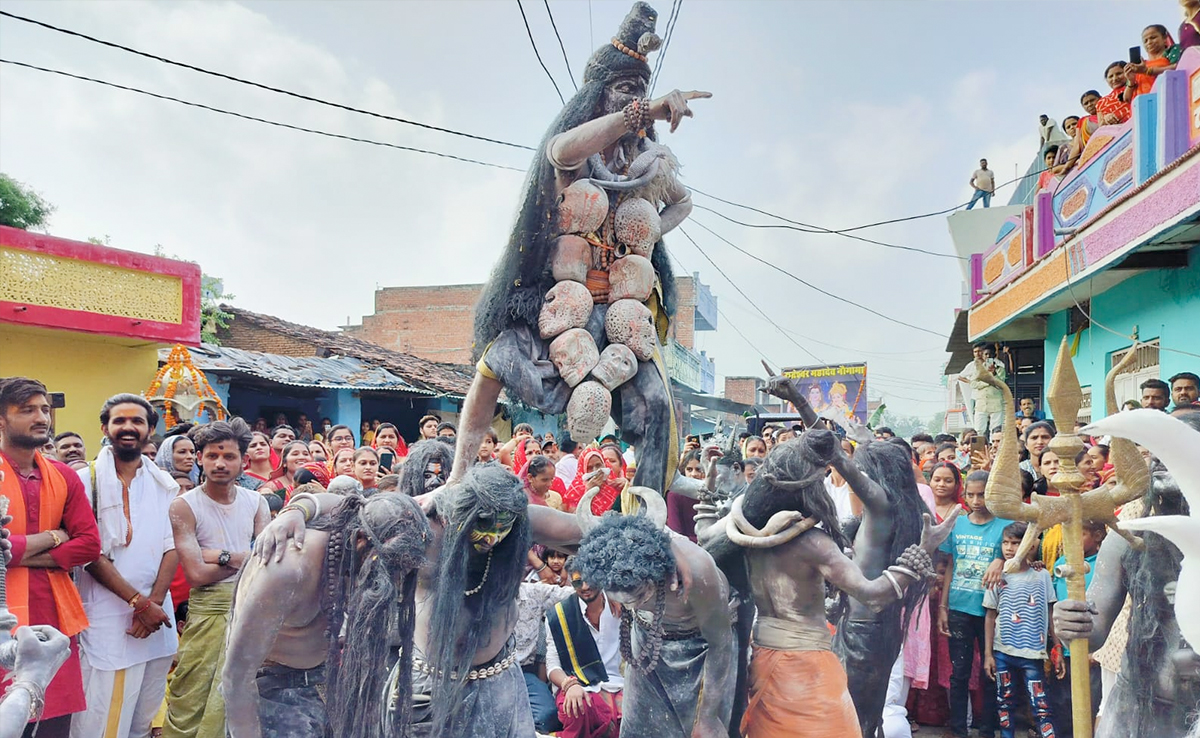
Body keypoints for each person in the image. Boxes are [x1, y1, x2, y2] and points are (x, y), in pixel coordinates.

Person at [448, 2, 708, 500]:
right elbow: (560, 151)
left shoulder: (645, 161)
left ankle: (651, 497)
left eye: (641, 92)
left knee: (658, 402)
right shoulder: (579, 150)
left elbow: (684, 201)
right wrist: (643, 110)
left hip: (622, 309)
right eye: (625, 90)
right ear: (600, 95)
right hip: (564, 303)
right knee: (494, 363)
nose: (638, 102)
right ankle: (460, 473)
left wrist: (648, 232)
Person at [695, 430, 954, 738]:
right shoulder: (814, 544)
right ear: (808, 489)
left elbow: (705, 535)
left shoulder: (746, 535)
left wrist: (707, 501)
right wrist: (919, 555)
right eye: (819, 481)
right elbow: (873, 596)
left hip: (763, 656)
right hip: (808, 666)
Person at [222, 492, 430, 738]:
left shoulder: (354, 529)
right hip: (272, 691)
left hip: (325, 681)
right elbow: (236, 676)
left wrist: (298, 508)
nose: (393, 578)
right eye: (388, 566)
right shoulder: (287, 569)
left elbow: (345, 502)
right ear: (361, 540)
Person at [571, 506, 734, 738]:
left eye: (639, 596)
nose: (632, 605)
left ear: (656, 574)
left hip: (701, 656)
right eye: (619, 597)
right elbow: (534, 519)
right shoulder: (607, 553)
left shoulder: (698, 572)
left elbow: (721, 643)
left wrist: (708, 716)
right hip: (645, 648)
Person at [73, 394, 179, 738]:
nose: (128, 427)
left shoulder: (163, 483)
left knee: (141, 722)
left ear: (150, 430)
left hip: (155, 622)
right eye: (120, 421)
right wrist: (139, 603)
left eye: (137, 421)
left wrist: (154, 604)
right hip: (109, 621)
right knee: (104, 723)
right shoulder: (81, 480)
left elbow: (171, 546)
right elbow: (89, 553)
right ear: (105, 428)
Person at [0, 377, 100, 738]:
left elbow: (89, 545)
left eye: (44, 409)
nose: (41, 417)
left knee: (53, 723)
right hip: (2, 620)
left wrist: (15, 552)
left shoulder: (63, 476)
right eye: (26, 410)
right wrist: (55, 536)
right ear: (1, 420)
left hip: (54, 621)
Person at [165, 419, 270, 738]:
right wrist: (239, 557)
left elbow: (266, 564)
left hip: (250, 612)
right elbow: (196, 574)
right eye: (212, 456)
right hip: (206, 616)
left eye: (228, 456)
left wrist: (215, 554)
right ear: (199, 458)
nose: (220, 463)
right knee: (193, 702)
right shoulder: (184, 505)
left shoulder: (257, 502)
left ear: (243, 461)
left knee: (246, 702)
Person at [938, 470, 1011, 738]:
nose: (977, 500)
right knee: (959, 672)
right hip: (959, 607)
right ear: (964, 494)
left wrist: (1002, 561)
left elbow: (1019, 557)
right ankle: (959, 730)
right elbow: (949, 566)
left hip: (992, 610)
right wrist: (943, 608)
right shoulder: (956, 524)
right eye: (971, 494)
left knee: (989, 671)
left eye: (982, 494)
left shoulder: (1006, 524)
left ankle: (987, 729)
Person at [982, 522, 1058, 738]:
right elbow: (990, 615)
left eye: (1015, 543)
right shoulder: (997, 576)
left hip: (1033, 653)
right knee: (1004, 703)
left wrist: (1057, 646)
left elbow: (1050, 612)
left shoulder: (1042, 575)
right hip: (1003, 652)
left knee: (1041, 705)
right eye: (1006, 543)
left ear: (1028, 545)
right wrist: (988, 654)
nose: (1009, 548)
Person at [544, 561, 623, 738]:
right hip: (578, 685)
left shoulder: (621, 608)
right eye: (578, 582)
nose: (585, 587)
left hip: (617, 683)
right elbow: (552, 666)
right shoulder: (560, 616)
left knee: (629, 715)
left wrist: (614, 593)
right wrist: (569, 685)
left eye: (591, 580)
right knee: (577, 707)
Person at [1048, 520, 1105, 738]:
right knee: (1063, 710)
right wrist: (1057, 647)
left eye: (1080, 534)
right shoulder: (1062, 563)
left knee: (1089, 709)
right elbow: (1054, 608)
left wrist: (1097, 650)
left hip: (1093, 654)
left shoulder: (1104, 564)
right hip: (1066, 651)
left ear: (1098, 535)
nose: (1072, 540)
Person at [514, 574, 572, 736]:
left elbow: (576, 593)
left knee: (547, 716)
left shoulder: (534, 592)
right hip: (484, 672)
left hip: (523, 672)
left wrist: (608, 597)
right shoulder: (481, 593)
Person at [958, 346, 1008, 435]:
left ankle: (994, 447)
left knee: (996, 430)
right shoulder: (978, 369)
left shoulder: (1000, 368)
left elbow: (1001, 384)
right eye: (986, 354)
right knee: (979, 430)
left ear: (995, 355)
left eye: (990, 354)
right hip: (981, 403)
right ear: (983, 356)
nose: (988, 356)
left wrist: (994, 374)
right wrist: (988, 382)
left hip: (996, 403)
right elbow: (973, 384)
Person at [1125, 25, 1183, 100]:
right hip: (1144, 106)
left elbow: (1178, 67)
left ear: (1165, 39)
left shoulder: (1172, 51)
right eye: (1145, 41)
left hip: (1169, 98)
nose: (1149, 42)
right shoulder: (1138, 67)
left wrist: (1147, 71)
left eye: (1153, 37)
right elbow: (1127, 98)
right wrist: (1131, 81)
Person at [1097, 62, 1132, 126]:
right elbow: (1100, 126)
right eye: (1110, 76)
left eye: (1119, 73)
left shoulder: (1138, 86)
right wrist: (1106, 118)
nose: (1115, 78)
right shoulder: (1101, 102)